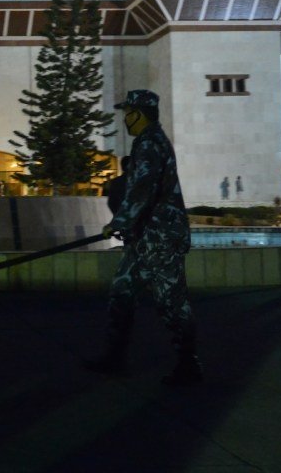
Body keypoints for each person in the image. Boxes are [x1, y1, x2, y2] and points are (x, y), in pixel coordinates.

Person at [91, 89, 201, 386]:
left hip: (160, 238)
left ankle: (188, 365)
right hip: (144, 238)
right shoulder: (146, 142)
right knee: (122, 291)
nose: (125, 119)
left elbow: (143, 188)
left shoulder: (151, 143)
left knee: (171, 303)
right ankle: (115, 357)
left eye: (127, 113)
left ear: (138, 114)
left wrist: (119, 221)